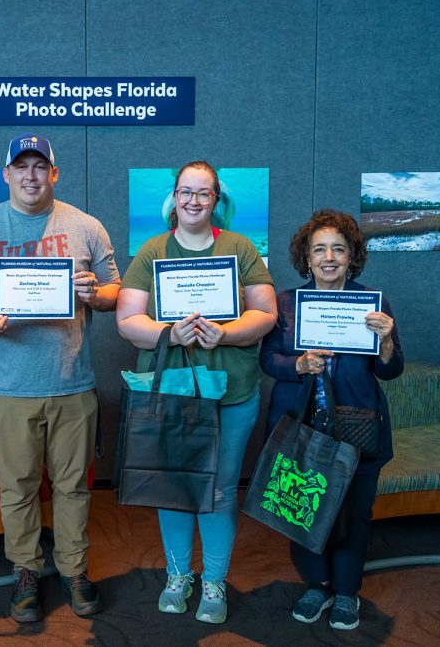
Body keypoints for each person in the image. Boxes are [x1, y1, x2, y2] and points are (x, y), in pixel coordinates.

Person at [0, 133, 120, 623]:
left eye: (41, 166)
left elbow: (114, 290)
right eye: (21, 167)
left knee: (74, 487)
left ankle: (74, 569)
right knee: (17, 487)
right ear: (6, 174)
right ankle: (24, 572)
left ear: (54, 173)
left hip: (72, 383)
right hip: (9, 386)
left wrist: (94, 294)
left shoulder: (85, 226)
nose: (31, 176)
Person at [116, 160, 277, 624]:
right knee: (174, 488)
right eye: (186, 192)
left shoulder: (239, 247)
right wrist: (172, 332)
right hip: (174, 393)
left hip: (231, 393)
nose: (193, 201)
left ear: (216, 199)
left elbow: (265, 315)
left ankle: (214, 583)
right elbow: (129, 322)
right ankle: (179, 575)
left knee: (222, 492)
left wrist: (223, 334)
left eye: (203, 193)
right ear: (174, 196)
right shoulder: (152, 251)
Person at [260, 208, 403, 631]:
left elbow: (390, 370)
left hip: (357, 425)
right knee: (302, 510)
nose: (328, 257)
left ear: (351, 257)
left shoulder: (373, 303)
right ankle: (317, 585)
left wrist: (387, 340)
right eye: (319, 249)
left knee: (355, 514)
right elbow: (268, 359)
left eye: (338, 249)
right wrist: (299, 365)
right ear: (306, 258)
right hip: (300, 424)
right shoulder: (286, 304)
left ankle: (346, 592)